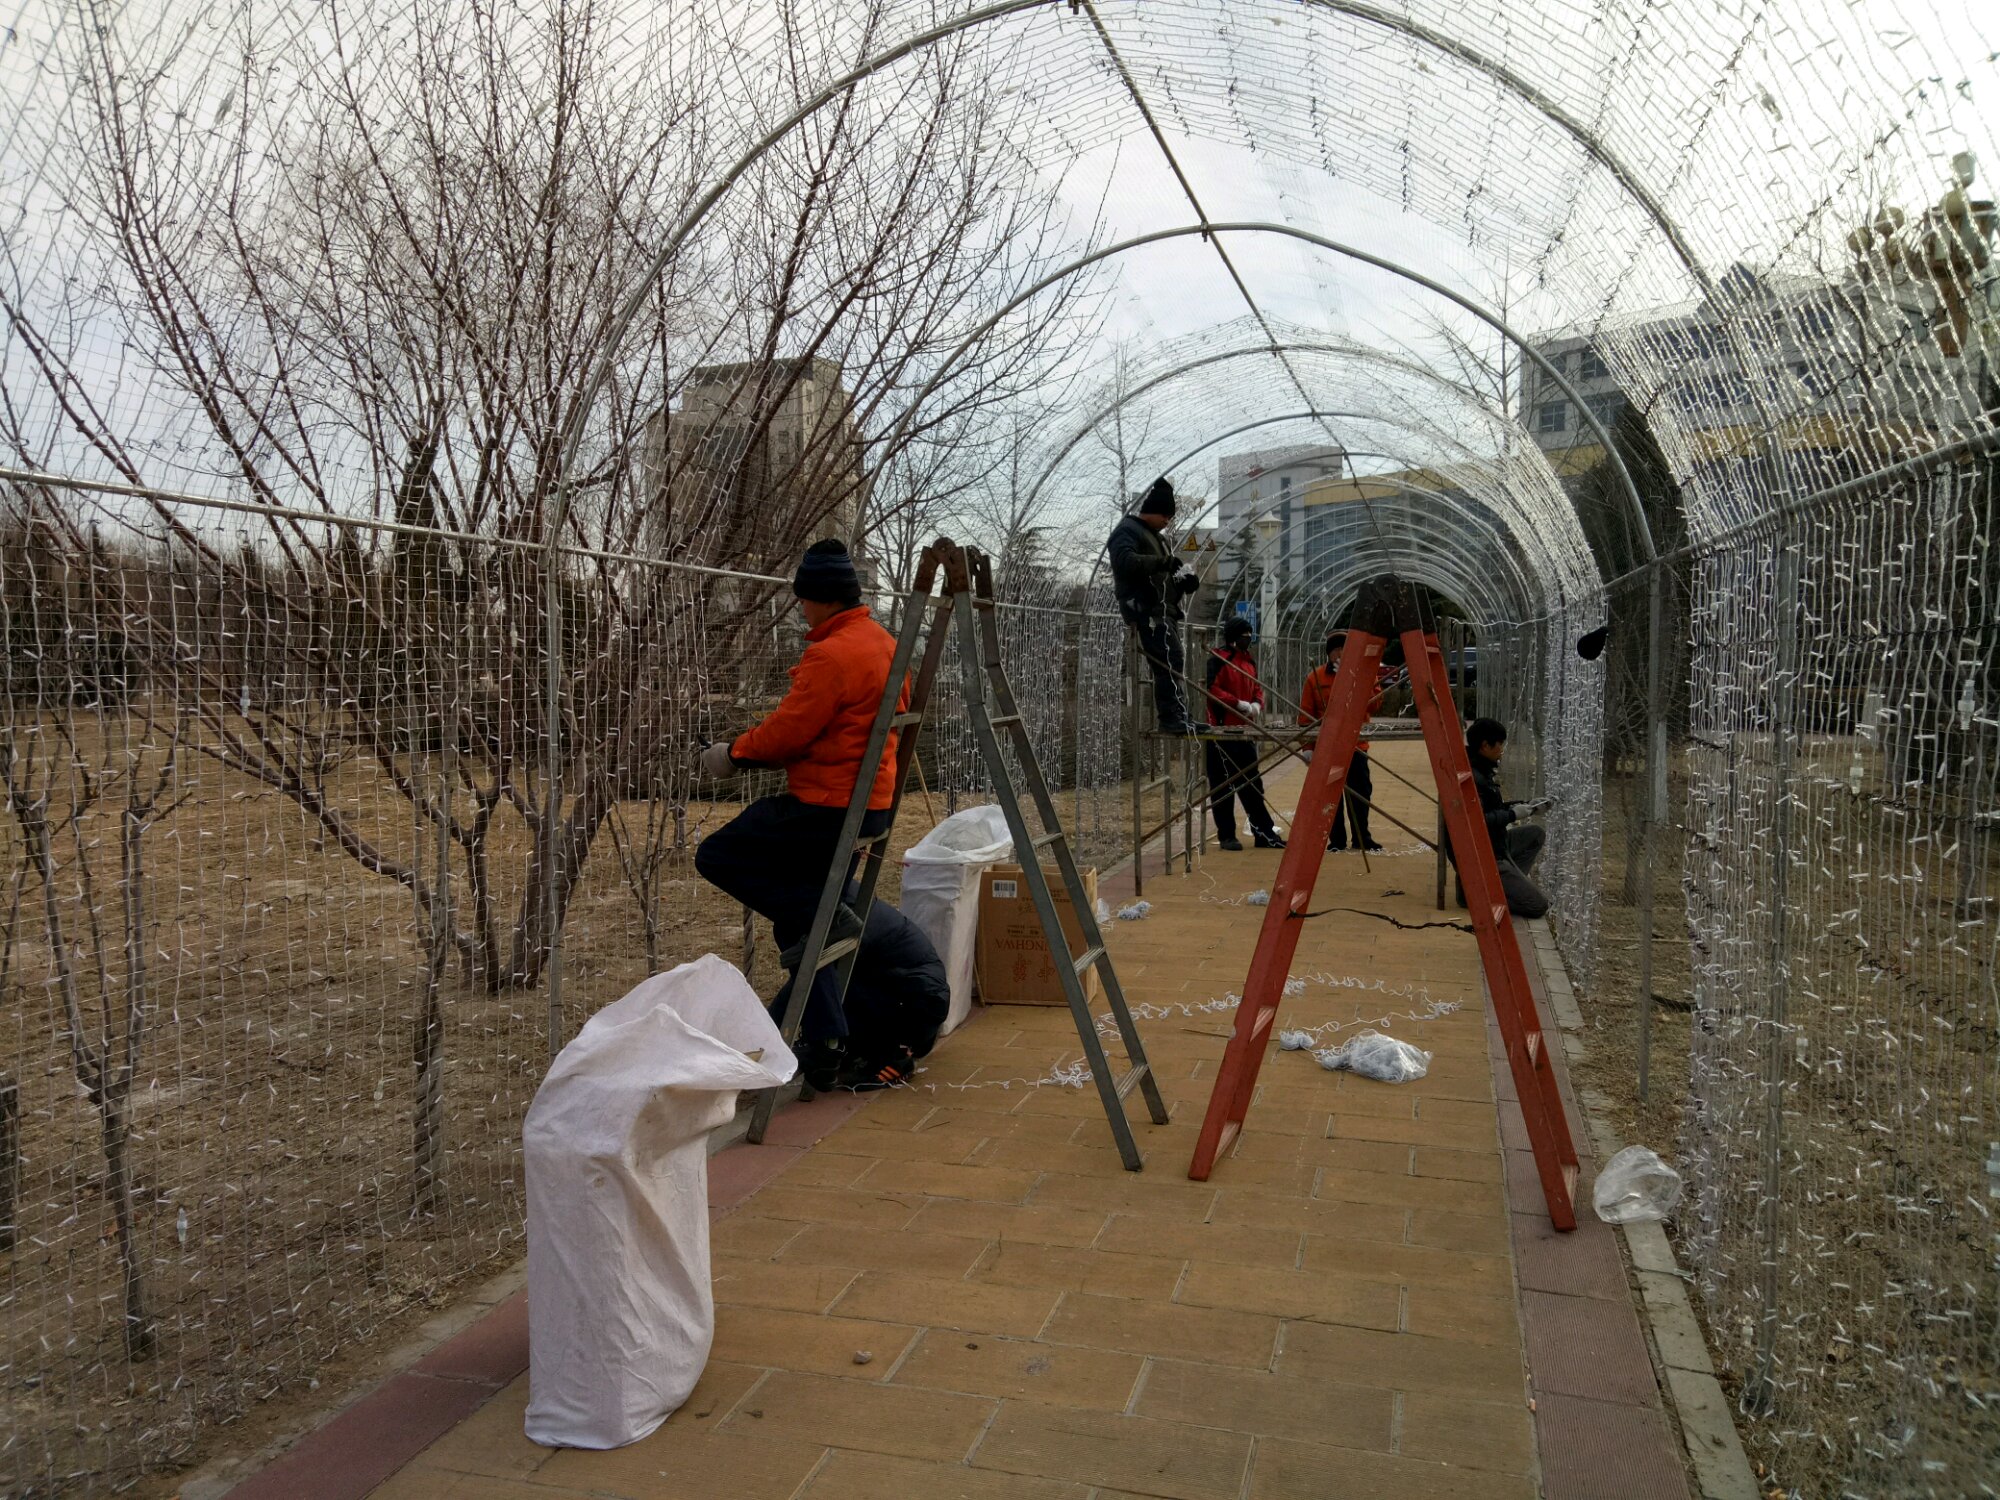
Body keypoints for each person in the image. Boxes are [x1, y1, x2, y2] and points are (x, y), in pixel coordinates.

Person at [692, 538, 911, 1088]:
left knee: (716, 855)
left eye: (804, 599)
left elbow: (789, 731)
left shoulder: (832, 655)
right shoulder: (886, 644)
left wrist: (732, 754)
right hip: (871, 805)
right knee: (800, 918)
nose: (801, 608)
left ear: (823, 597)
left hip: (826, 809)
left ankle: (827, 919)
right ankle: (826, 1042)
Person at [768, 901, 949, 1091]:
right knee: (830, 995)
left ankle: (896, 1057)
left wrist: (767, 1031)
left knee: (829, 996)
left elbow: (807, 982)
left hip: (918, 1002)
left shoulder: (842, 917)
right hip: (896, 988)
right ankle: (850, 1048)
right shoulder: (836, 904)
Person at [1107, 478, 1200, 734]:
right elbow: (1124, 561)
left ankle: (1180, 715)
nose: (1167, 521)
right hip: (1144, 609)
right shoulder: (1127, 531)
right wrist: (1163, 563)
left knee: (1173, 660)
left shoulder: (1157, 538)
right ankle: (1171, 718)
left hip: (1161, 610)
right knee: (1168, 661)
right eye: (1165, 516)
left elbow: (1164, 577)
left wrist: (1183, 581)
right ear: (1152, 511)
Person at [1297, 629, 1386, 853]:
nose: (1340, 654)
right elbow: (1306, 716)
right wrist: (1308, 747)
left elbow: (1376, 703)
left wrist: (1354, 681)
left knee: (1361, 791)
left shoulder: (1365, 674)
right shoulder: (1315, 677)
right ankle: (1336, 839)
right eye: (1336, 650)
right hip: (1327, 746)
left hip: (1356, 745)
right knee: (1330, 794)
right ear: (1329, 653)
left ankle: (1362, 837)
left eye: (1345, 650)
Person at [1203, 617, 1285, 852]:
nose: (1248, 638)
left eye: (1250, 634)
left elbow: (1256, 686)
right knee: (1222, 787)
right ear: (1232, 637)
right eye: (1244, 634)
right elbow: (1211, 689)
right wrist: (1237, 703)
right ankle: (1227, 835)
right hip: (1221, 733)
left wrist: (1257, 703)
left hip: (1245, 731)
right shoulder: (1218, 660)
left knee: (1252, 786)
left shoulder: (1248, 661)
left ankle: (1264, 834)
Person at [1461, 717, 1551, 919]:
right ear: (1485, 745)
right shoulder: (1474, 778)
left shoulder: (1481, 770)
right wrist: (1511, 814)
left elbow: (1492, 808)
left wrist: (1527, 806)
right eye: (1499, 744)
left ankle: (1510, 883)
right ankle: (1480, 894)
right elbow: (1478, 820)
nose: (1502, 749)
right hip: (1486, 853)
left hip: (1496, 843)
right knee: (1538, 906)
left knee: (1535, 834)